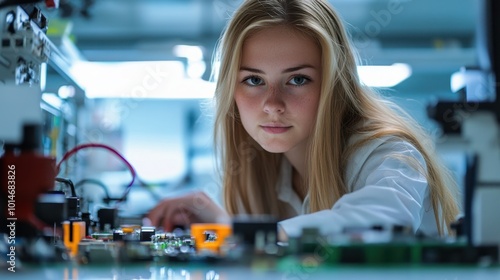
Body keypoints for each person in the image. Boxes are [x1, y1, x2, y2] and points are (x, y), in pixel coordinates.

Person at [147, 0, 460, 238]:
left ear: (334, 85)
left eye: (297, 80)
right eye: (254, 81)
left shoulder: (387, 154)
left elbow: (384, 223)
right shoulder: (263, 169)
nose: (272, 104)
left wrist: (239, 232)